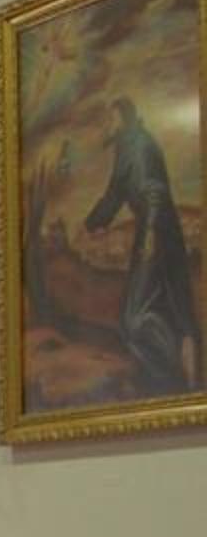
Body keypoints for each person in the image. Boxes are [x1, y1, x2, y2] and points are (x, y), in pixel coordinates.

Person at [81, 94, 200, 395]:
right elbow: (116, 193)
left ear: (123, 119)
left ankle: (170, 378)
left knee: (133, 320)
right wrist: (91, 224)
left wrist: (148, 235)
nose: (106, 125)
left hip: (155, 230)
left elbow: (153, 193)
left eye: (110, 119)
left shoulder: (139, 145)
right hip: (157, 231)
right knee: (161, 312)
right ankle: (178, 372)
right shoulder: (129, 145)